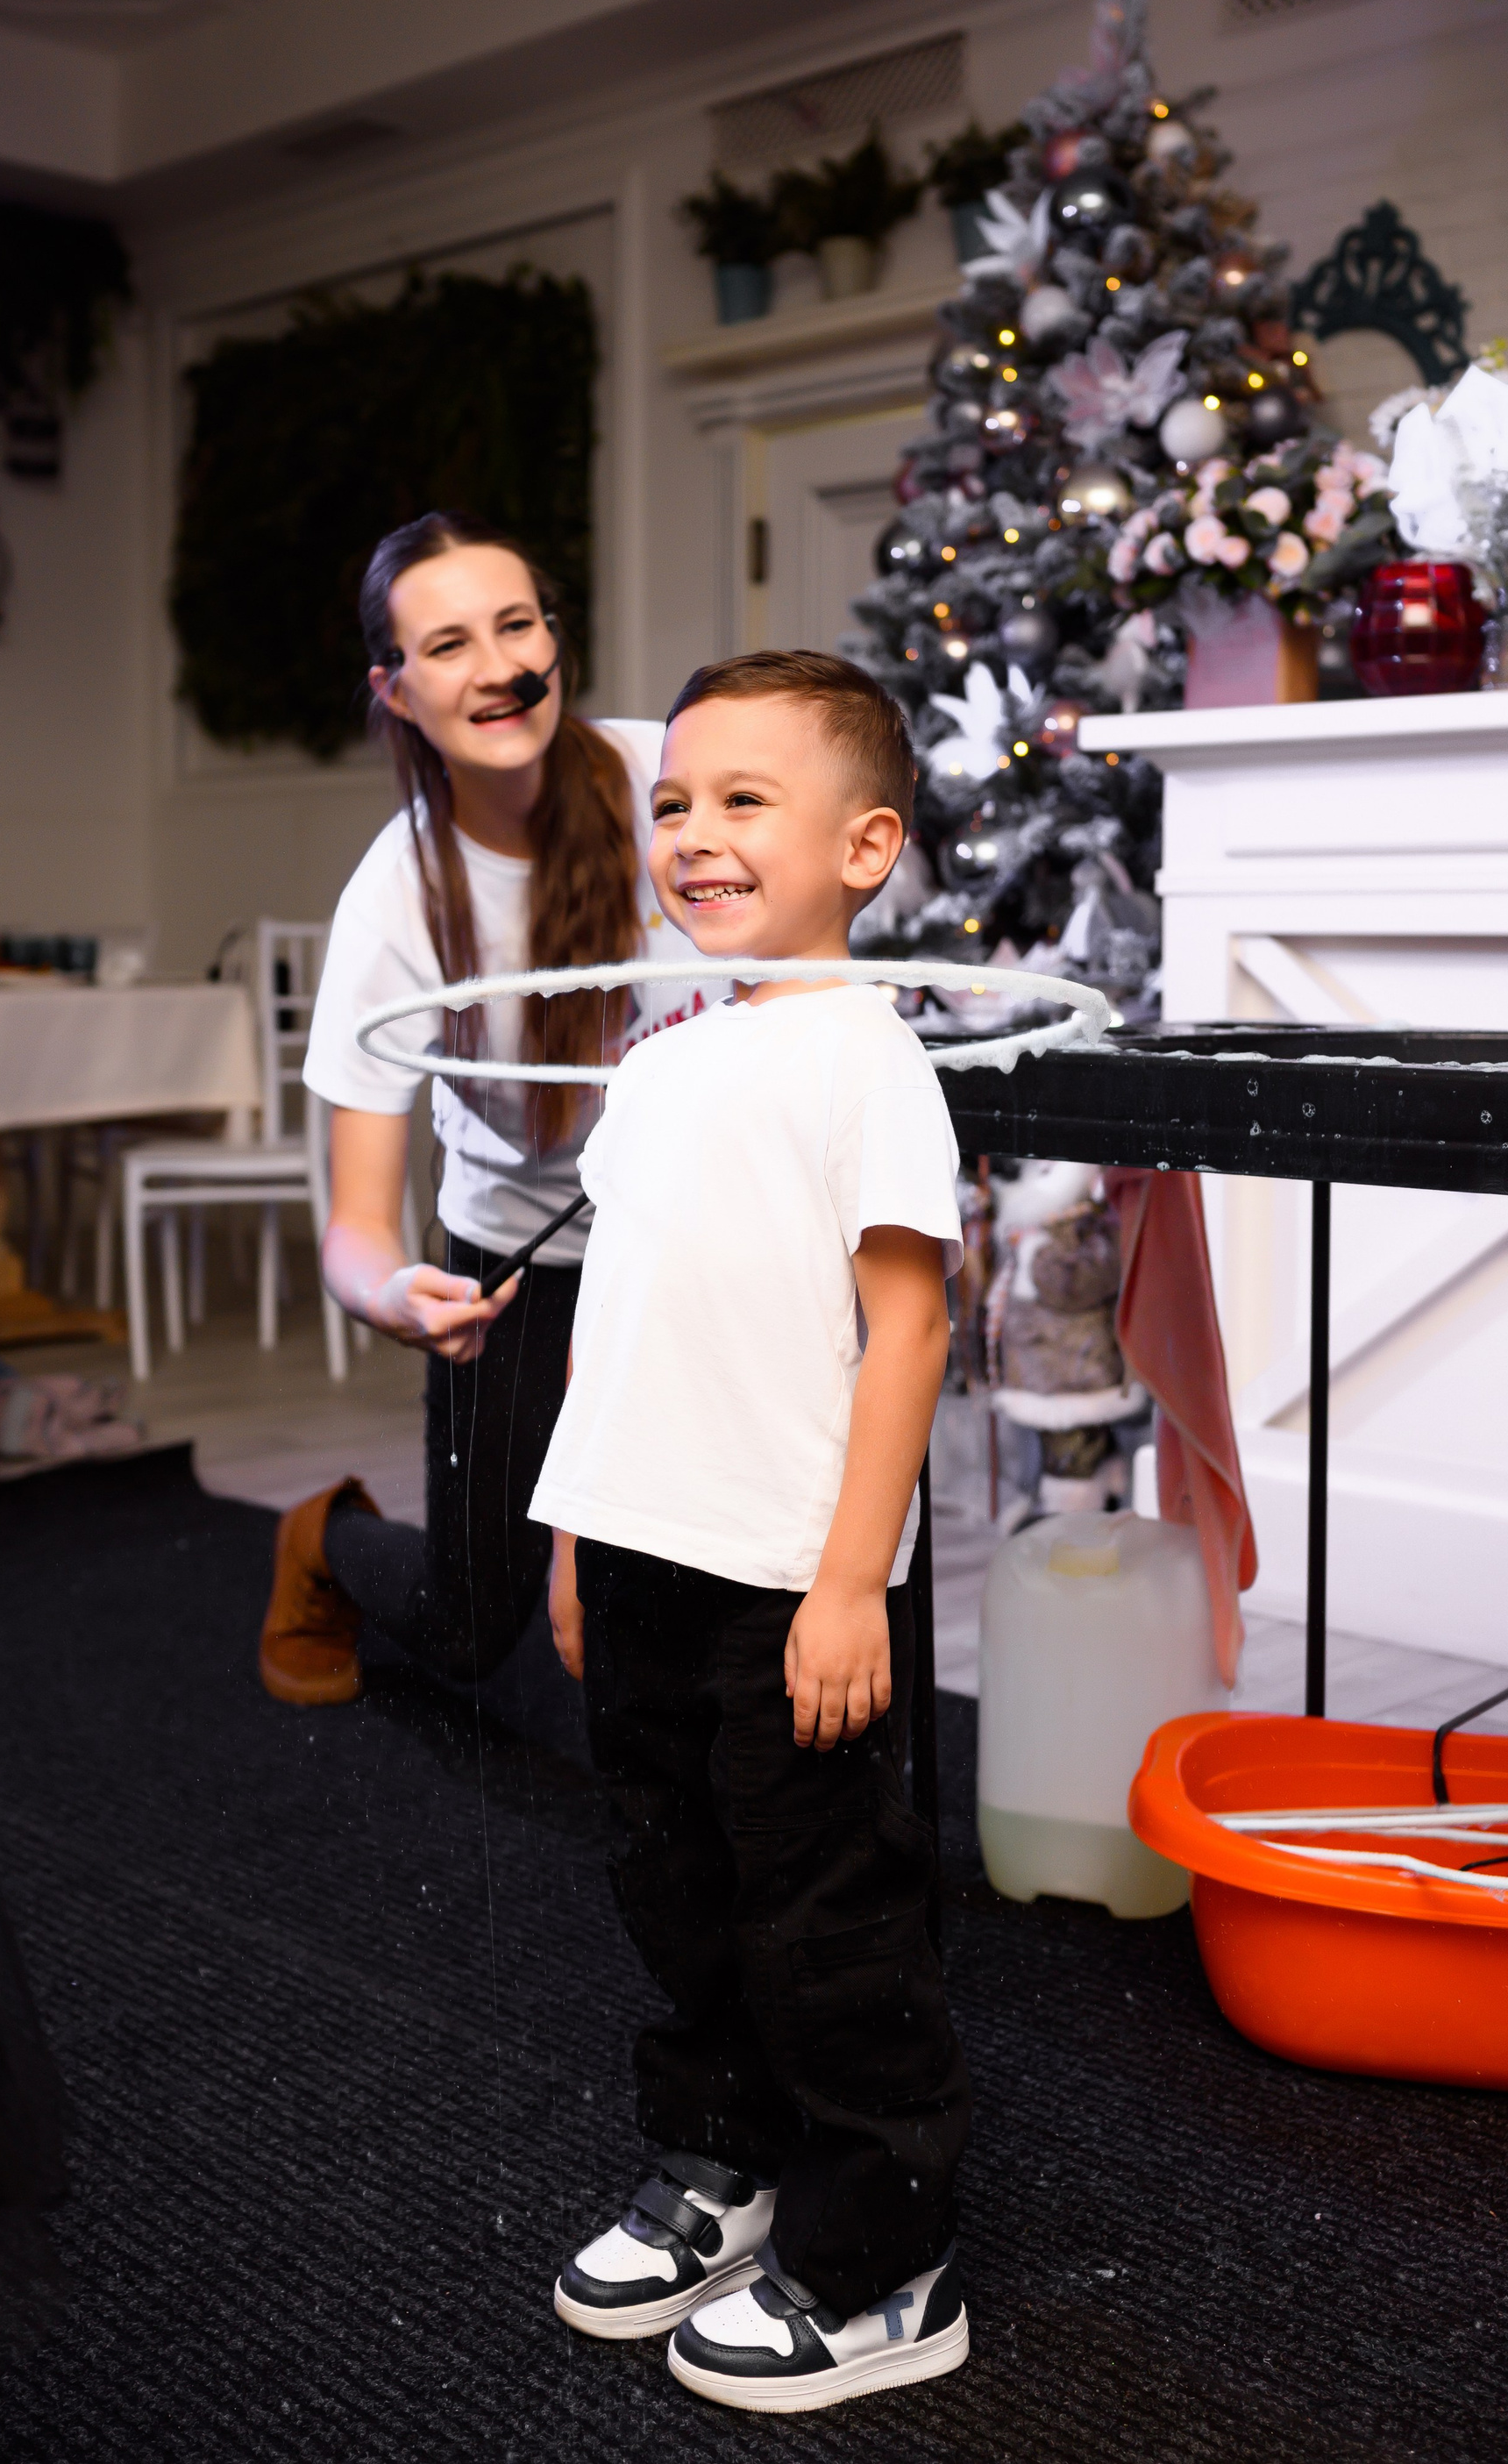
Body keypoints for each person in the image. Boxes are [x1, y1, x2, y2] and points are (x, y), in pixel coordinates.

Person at [535, 651, 972, 2412]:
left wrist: (853, 1578)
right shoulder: (661, 1064)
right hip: (643, 1544)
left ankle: (884, 2259)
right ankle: (726, 2160)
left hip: (791, 1573)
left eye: (742, 802)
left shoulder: (868, 1060)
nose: (692, 835)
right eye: (674, 803)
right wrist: (575, 1532)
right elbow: (618, 1313)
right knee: (674, 1876)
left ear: (866, 848)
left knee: (821, 1911)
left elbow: (910, 1328)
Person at [257, 511, 707, 1706]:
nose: (499, 666)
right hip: (522, 1263)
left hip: (697, 1245)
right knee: (469, 1626)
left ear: (555, 640)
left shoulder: (672, 782)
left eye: (517, 626)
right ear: (395, 690)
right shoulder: (395, 902)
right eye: (450, 644)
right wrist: (393, 1293)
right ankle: (323, 1539)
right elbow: (355, 1227)